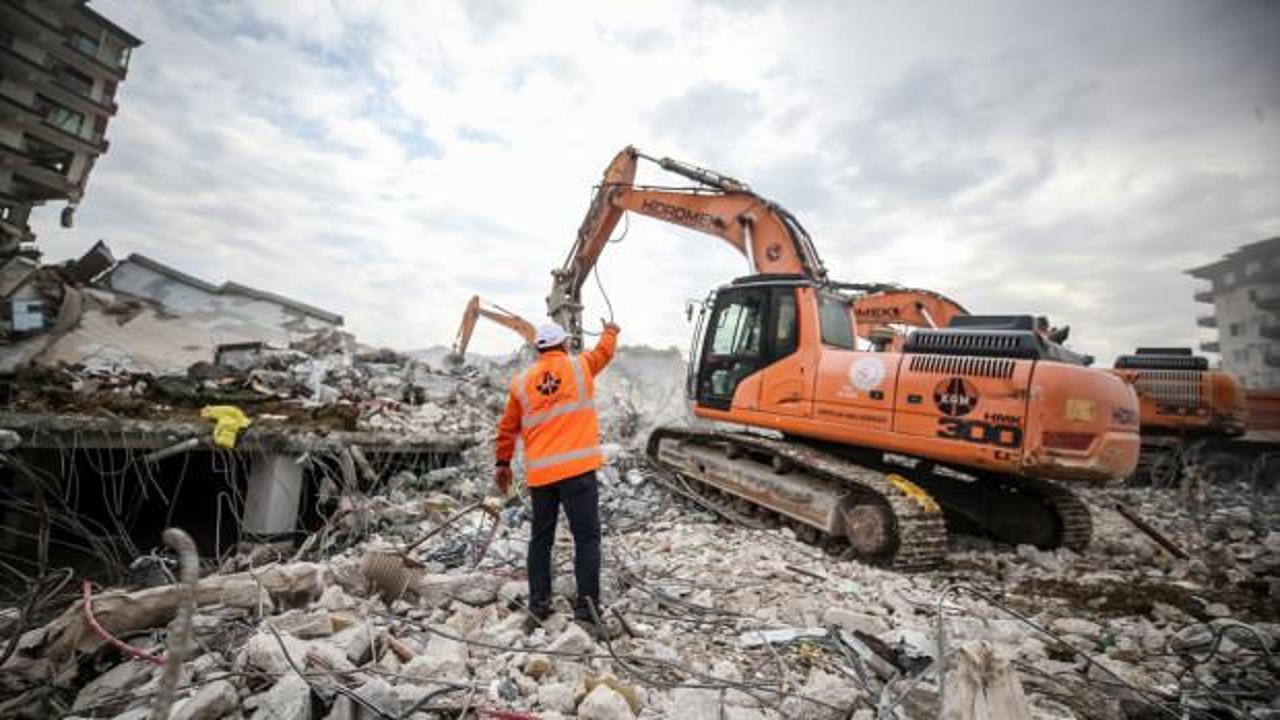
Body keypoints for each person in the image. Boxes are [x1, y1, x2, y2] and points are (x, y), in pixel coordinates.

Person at [494, 319, 620, 627]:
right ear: (564, 344)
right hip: (578, 471)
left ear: (538, 348)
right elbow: (605, 352)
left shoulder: (521, 382)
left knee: (541, 540)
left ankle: (538, 607)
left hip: (542, 477)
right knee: (587, 540)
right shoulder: (580, 366)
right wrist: (610, 331)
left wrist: (502, 464)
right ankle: (587, 612)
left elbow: (507, 428)